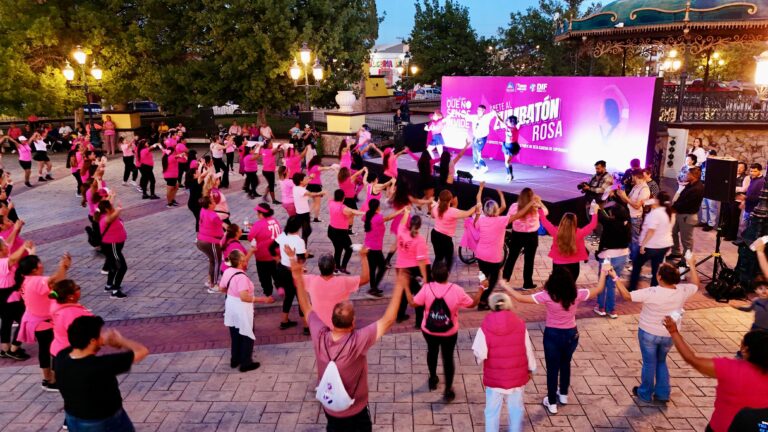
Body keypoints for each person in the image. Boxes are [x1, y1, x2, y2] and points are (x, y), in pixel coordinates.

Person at [290, 243, 405, 432]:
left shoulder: (319, 335)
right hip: (356, 410)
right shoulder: (357, 341)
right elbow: (388, 319)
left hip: (331, 409)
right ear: (352, 323)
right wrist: (399, 285)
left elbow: (305, 305)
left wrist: (296, 272)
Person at [504, 266, 606, 415]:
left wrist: (505, 286)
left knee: (552, 369)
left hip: (552, 335)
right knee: (566, 363)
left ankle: (552, 402)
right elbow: (599, 288)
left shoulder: (547, 296)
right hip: (571, 334)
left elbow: (520, 298)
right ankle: (563, 394)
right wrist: (604, 271)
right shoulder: (577, 294)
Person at [612, 254, 700, 403]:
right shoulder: (682, 290)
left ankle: (645, 393)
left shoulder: (652, 292)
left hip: (648, 333)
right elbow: (696, 284)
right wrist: (691, 264)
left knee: (649, 363)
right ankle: (663, 393)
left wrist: (615, 277)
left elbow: (627, 296)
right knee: (661, 361)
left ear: (659, 277)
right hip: (670, 334)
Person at [663, 318, 768, 432]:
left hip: (721, 428)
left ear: (745, 349)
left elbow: (692, 359)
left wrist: (674, 332)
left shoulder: (730, 368)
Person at [405, 261, 485, 402]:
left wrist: (405, 286)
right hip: (449, 332)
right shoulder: (457, 290)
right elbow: (473, 303)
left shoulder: (426, 288)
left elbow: (412, 303)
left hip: (429, 330)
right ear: (448, 274)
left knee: (432, 351)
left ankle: (433, 378)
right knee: (448, 358)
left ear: (432, 275)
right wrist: (481, 288)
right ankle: (448, 390)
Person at [55, 315, 149, 431]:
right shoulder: (101, 366)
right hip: (105, 421)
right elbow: (142, 351)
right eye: (100, 335)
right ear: (92, 341)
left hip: (73, 418)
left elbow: (81, 345)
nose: (102, 337)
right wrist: (121, 341)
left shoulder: (61, 357)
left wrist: (100, 341)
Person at [472, 293, 536, 432]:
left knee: (491, 411)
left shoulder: (485, 326)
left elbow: (480, 353)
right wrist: (531, 368)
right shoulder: (520, 324)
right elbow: (528, 349)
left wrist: (478, 360)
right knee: (516, 409)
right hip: (517, 377)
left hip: (495, 379)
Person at [474, 182, 537, 310]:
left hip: (480, 255)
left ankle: (481, 294)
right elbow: (519, 214)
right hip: (493, 257)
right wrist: (530, 203)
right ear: (496, 210)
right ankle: (483, 300)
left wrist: (480, 190)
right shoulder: (501, 220)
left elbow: (478, 205)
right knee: (493, 279)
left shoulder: (480, 219)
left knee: (483, 276)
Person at [16, 252, 71, 390]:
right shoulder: (37, 281)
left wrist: (64, 268)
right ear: (34, 269)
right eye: (39, 262)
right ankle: (53, 381)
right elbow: (58, 281)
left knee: (44, 350)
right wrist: (62, 267)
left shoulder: (26, 280)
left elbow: (54, 289)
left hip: (36, 322)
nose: (42, 264)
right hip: (44, 323)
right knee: (55, 349)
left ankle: (47, 378)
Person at [219, 249, 274, 372]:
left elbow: (222, 288)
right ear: (240, 262)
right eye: (244, 259)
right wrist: (263, 299)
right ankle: (246, 363)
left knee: (235, 333)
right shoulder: (241, 277)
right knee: (247, 334)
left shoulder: (227, 271)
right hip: (242, 308)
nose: (246, 261)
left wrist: (232, 293)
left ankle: (235, 359)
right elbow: (244, 297)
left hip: (231, 305)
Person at [303, 250, 370, 329]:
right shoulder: (343, 282)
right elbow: (366, 278)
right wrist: (363, 256)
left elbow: (294, 277)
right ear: (334, 267)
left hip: (319, 328)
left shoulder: (310, 280)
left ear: (319, 267)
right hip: (340, 326)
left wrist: (297, 262)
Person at [539, 201, 599, 283]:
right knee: (571, 285)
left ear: (562, 221)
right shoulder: (580, 233)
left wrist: (540, 209)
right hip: (574, 265)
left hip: (558, 264)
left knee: (558, 285)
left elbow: (544, 221)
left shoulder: (555, 231)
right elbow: (593, 224)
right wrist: (595, 212)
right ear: (575, 222)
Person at [629, 192, 675, 291]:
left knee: (637, 266)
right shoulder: (669, 212)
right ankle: (655, 289)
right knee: (656, 269)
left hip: (651, 245)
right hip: (664, 245)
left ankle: (632, 289)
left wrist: (643, 245)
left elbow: (651, 231)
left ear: (658, 200)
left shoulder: (656, 213)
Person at [502, 188, 547, 290]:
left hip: (517, 235)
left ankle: (505, 279)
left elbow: (507, 218)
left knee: (512, 257)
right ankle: (527, 283)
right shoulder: (536, 208)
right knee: (529, 260)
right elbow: (546, 212)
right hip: (531, 236)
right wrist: (540, 202)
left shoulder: (514, 206)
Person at [593, 195, 631, 318]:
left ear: (614, 214)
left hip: (608, 257)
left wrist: (597, 207)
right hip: (622, 256)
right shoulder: (627, 224)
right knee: (613, 282)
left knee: (603, 281)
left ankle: (601, 307)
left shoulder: (610, 223)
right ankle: (612, 310)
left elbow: (600, 215)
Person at [0, 221, 31, 360]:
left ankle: (4, 349)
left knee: (6, 320)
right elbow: (13, 259)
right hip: (7, 295)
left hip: (4, 294)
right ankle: (14, 349)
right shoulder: (3, 262)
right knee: (26, 319)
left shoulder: (2, 256)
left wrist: (15, 229)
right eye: (4, 247)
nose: (7, 247)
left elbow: (8, 243)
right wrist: (24, 246)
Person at [363, 199, 406, 298]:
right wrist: (401, 210)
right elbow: (389, 217)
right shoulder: (378, 217)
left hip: (368, 247)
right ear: (377, 207)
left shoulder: (367, 215)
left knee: (373, 269)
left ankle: (373, 288)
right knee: (382, 267)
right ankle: (372, 289)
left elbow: (364, 217)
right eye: (379, 205)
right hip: (375, 249)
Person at [394, 208, 430, 326]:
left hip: (401, 269)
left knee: (404, 292)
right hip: (415, 270)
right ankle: (419, 322)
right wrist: (424, 277)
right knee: (419, 296)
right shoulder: (419, 240)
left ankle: (400, 315)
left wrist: (406, 212)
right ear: (419, 226)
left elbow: (402, 223)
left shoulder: (401, 232)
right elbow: (421, 261)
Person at [429, 189, 478, 271]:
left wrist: (436, 204)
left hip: (434, 235)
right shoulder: (452, 211)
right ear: (450, 200)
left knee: (438, 257)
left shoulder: (436, 207)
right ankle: (445, 275)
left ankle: (434, 275)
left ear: (439, 198)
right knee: (449, 259)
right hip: (445, 239)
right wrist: (476, 206)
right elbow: (467, 213)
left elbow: (432, 215)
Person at [274, 216, 306, 331]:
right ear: (299, 227)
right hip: (294, 271)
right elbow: (301, 259)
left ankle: (284, 320)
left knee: (289, 295)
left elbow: (272, 247)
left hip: (283, 269)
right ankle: (306, 325)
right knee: (301, 296)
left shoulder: (283, 235)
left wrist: (278, 259)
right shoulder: (299, 241)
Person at [670, 166, 704, 263]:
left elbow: (686, 203)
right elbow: (681, 198)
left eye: (687, 174)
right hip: (681, 214)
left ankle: (685, 261)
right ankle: (676, 252)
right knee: (672, 232)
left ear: (694, 176)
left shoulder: (697, 188)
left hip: (687, 216)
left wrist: (673, 208)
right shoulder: (690, 184)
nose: (685, 175)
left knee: (686, 241)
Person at [248, 203, 282, 299]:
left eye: (258, 213)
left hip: (263, 255)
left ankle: (268, 294)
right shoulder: (275, 221)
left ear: (261, 214)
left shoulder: (258, 224)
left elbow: (250, 237)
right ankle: (280, 288)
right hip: (276, 254)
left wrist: (252, 229)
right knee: (276, 273)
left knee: (264, 276)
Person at [616, 169, 650, 259]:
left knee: (634, 239)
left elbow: (637, 206)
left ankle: (635, 259)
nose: (631, 178)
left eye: (632, 176)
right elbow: (627, 201)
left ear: (635, 176)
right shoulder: (636, 186)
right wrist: (621, 195)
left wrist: (625, 197)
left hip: (635, 217)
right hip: (628, 215)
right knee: (628, 238)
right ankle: (629, 256)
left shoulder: (644, 189)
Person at [327, 190, 364, 273]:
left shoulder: (331, 202)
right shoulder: (343, 207)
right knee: (349, 249)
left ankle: (336, 268)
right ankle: (342, 267)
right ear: (343, 197)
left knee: (338, 249)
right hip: (341, 233)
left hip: (331, 230)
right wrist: (365, 213)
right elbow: (353, 211)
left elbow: (330, 197)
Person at [98, 200, 129, 299]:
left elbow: (112, 212)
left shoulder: (107, 215)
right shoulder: (106, 218)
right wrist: (118, 210)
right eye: (111, 207)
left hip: (114, 246)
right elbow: (111, 217)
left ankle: (109, 285)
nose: (113, 208)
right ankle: (115, 291)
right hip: (112, 245)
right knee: (122, 267)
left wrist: (112, 196)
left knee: (113, 265)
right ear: (107, 210)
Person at [456, 104, 496, 173]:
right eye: (478, 109)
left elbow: (494, 113)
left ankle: (484, 167)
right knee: (474, 152)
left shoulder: (487, 117)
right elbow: (466, 116)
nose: (478, 111)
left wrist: (495, 112)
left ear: (483, 110)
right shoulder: (474, 117)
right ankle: (476, 167)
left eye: (480, 110)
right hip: (475, 137)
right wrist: (457, 113)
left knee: (478, 153)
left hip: (482, 138)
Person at [292, 172, 325, 255]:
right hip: (303, 214)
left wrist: (310, 177)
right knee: (306, 232)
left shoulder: (296, 187)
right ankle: (302, 251)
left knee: (306, 232)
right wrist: (320, 193)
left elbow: (306, 183)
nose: (306, 180)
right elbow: (311, 194)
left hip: (301, 213)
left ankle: (302, 250)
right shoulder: (301, 190)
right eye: (304, 179)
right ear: (300, 181)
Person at [197, 196, 224, 290]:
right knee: (217, 262)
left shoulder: (203, 210)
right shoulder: (213, 216)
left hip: (201, 240)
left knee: (213, 261)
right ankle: (214, 285)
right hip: (211, 242)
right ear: (209, 205)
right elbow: (222, 226)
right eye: (212, 201)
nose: (214, 202)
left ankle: (210, 281)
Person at [738, 163, 765, 243]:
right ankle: (743, 241)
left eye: (755, 171)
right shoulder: (753, 178)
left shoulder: (762, 181)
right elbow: (750, 192)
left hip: (754, 209)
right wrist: (744, 201)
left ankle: (745, 243)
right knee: (743, 225)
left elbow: (759, 197)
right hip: (748, 206)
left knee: (748, 227)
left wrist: (745, 197)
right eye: (751, 171)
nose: (752, 173)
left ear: (760, 171)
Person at [699, 150, 720, 232]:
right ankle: (704, 221)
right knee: (703, 205)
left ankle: (711, 224)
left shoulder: (718, 165)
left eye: (709, 155)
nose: (707, 157)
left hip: (712, 188)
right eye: (707, 155)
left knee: (712, 206)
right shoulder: (704, 163)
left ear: (714, 156)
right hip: (703, 186)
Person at [496, 114, 521, 182]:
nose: (507, 121)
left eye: (508, 121)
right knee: (506, 162)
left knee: (508, 162)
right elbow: (501, 120)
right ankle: (509, 174)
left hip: (512, 146)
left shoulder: (516, 127)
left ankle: (510, 175)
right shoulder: (507, 127)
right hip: (506, 145)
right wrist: (496, 114)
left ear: (512, 122)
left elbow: (520, 122)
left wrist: (524, 119)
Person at [260, 140, 280, 204]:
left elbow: (274, 152)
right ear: (267, 145)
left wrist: (277, 149)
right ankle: (274, 200)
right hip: (269, 171)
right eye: (271, 144)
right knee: (271, 186)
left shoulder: (263, 150)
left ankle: (265, 196)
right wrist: (278, 146)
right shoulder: (269, 151)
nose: (272, 144)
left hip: (265, 171)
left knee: (271, 184)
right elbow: (274, 151)